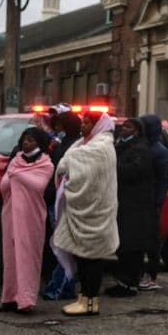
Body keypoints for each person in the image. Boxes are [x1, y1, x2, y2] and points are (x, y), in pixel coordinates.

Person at [53, 110, 119, 316]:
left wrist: (68, 163)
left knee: (92, 259)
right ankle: (84, 298)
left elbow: (76, 167)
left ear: (98, 125)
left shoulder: (101, 148)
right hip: (85, 212)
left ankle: (90, 302)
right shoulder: (87, 145)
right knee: (84, 258)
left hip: (95, 212)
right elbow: (69, 162)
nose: (82, 126)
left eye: (87, 122)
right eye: (83, 122)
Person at [0, 127, 54, 313]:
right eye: (24, 139)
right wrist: (15, 175)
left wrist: (16, 175)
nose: (25, 143)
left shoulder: (46, 164)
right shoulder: (16, 160)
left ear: (39, 143)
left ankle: (26, 300)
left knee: (28, 257)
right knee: (10, 257)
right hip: (11, 213)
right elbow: (4, 185)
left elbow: (38, 185)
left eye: (30, 140)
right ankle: (9, 297)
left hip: (31, 216)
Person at [106, 118, 156, 297]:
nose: (123, 129)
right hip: (122, 205)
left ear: (137, 132)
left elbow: (132, 171)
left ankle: (129, 283)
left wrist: (112, 165)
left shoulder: (140, 149)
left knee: (132, 247)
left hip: (135, 207)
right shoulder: (121, 146)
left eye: (128, 127)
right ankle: (122, 281)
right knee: (123, 246)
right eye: (123, 126)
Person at [40, 111, 82, 301]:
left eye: (60, 127)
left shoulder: (77, 146)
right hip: (55, 199)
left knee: (63, 245)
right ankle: (64, 285)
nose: (57, 130)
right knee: (59, 244)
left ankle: (62, 286)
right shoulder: (60, 145)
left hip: (66, 201)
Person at [139, 114, 168, 291]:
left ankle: (151, 276)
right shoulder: (144, 146)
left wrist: (157, 203)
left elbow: (164, 180)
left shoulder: (160, 151)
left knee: (152, 241)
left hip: (151, 203)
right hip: (141, 200)